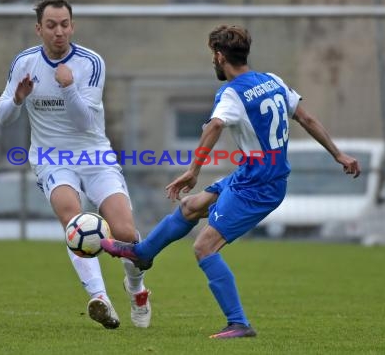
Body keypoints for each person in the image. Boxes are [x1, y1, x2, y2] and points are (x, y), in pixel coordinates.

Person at [101, 25, 361, 338]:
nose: (213, 61)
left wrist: (193, 170)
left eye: (213, 56)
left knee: (204, 247)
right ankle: (143, 253)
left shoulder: (232, 92)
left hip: (259, 185)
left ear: (220, 56)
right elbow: (306, 118)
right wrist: (338, 154)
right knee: (190, 206)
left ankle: (239, 323)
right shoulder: (272, 80)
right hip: (255, 173)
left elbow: (214, 126)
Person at [0, 0, 151, 329]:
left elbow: (84, 124)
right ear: (39, 29)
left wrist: (68, 88)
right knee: (73, 218)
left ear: (72, 26)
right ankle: (100, 298)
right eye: (51, 25)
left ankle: (136, 289)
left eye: (64, 24)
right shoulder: (23, 63)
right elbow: (3, 117)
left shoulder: (91, 63)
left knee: (125, 233)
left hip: (94, 154)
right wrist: (18, 99)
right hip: (51, 158)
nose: (58, 32)